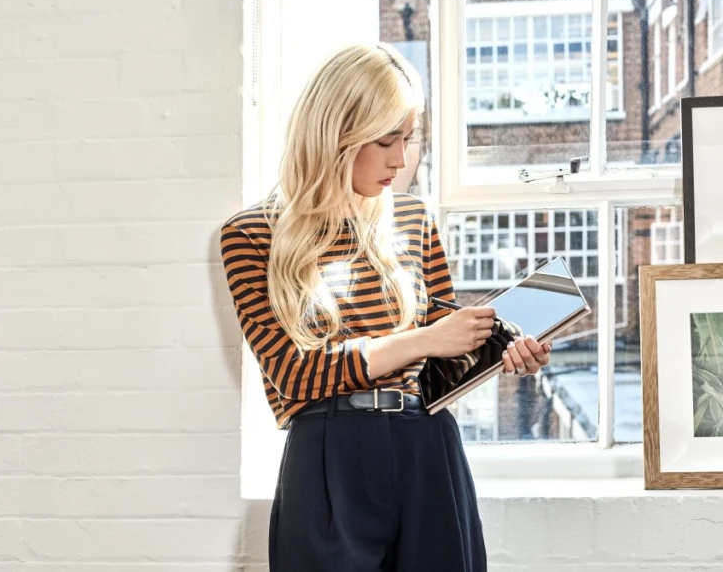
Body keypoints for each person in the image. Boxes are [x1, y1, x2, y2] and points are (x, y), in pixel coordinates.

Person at [219, 42, 552, 571]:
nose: (400, 158)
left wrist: (500, 350)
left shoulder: (414, 220)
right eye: (384, 139)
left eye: (408, 138)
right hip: (327, 457)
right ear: (335, 133)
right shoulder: (251, 234)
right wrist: (423, 340)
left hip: (428, 449)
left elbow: (439, 365)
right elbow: (292, 374)